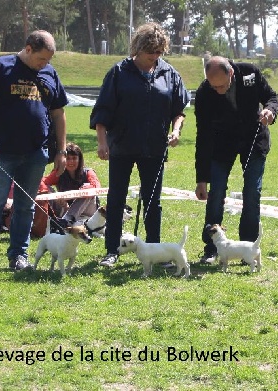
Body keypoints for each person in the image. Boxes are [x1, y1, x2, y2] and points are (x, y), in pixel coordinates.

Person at [91, 22, 190, 267]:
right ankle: (112, 250)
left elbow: (179, 110)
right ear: (137, 49)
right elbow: (102, 111)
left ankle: (155, 250)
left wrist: (176, 130)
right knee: (116, 199)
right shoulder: (118, 73)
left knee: (153, 202)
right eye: (150, 53)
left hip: (154, 148)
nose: (154, 57)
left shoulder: (169, 74)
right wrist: (102, 143)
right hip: (122, 146)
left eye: (159, 52)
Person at [0, 30, 68, 276]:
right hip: (2, 152)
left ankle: (19, 255)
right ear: (28, 49)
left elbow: (58, 114)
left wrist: (61, 150)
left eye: (48, 60)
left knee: (26, 207)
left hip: (36, 153)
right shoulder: (0, 68)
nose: (44, 64)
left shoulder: (50, 73)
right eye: (41, 59)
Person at [193, 56, 278, 264]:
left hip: (254, 140)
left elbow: (271, 97)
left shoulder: (249, 72)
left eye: (222, 86)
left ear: (230, 72)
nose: (218, 91)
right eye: (214, 87)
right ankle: (212, 248)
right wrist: (201, 179)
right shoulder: (204, 93)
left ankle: (247, 247)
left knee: (252, 192)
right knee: (217, 193)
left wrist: (270, 111)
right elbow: (203, 137)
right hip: (222, 145)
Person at [39, 142, 101, 224]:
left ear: (79, 160)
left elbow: (96, 186)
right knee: (46, 189)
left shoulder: (88, 172)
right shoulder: (59, 173)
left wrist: (78, 193)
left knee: (88, 189)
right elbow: (42, 182)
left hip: (87, 209)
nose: (71, 162)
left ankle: (67, 220)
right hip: (64, 208)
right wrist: (57, 197)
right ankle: (48, 219)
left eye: (74, 158)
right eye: (68, 158)